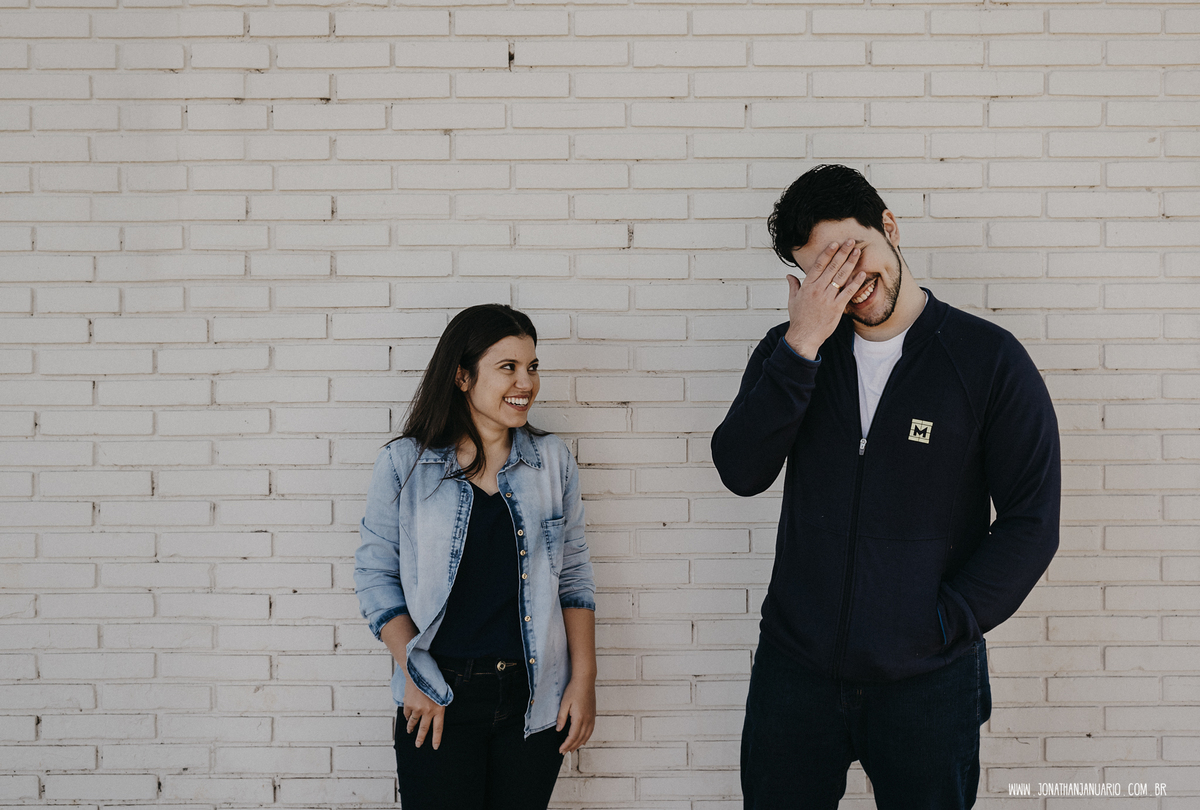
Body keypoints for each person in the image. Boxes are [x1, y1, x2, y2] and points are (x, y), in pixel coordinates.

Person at [711, 165, 1060, 810]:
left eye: (857, 252)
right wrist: (803, 344)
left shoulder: (986, 360)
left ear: (890, 228)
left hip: (927, 681)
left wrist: (946, 621)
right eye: (825, 270)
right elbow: (740, 471)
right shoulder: (792, 351)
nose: (850, 279)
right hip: (796, 672)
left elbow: (1032, 518)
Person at [355, 304, 596, 810]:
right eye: (507, 367)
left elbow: (573, 576)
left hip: (534, 701)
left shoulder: (552, 462)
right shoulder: (405, 464)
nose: (525, 382)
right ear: (462, 376)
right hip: (438, 697)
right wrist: (415, 675)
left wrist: (583, 680)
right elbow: (376, 579)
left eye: (532, 367)